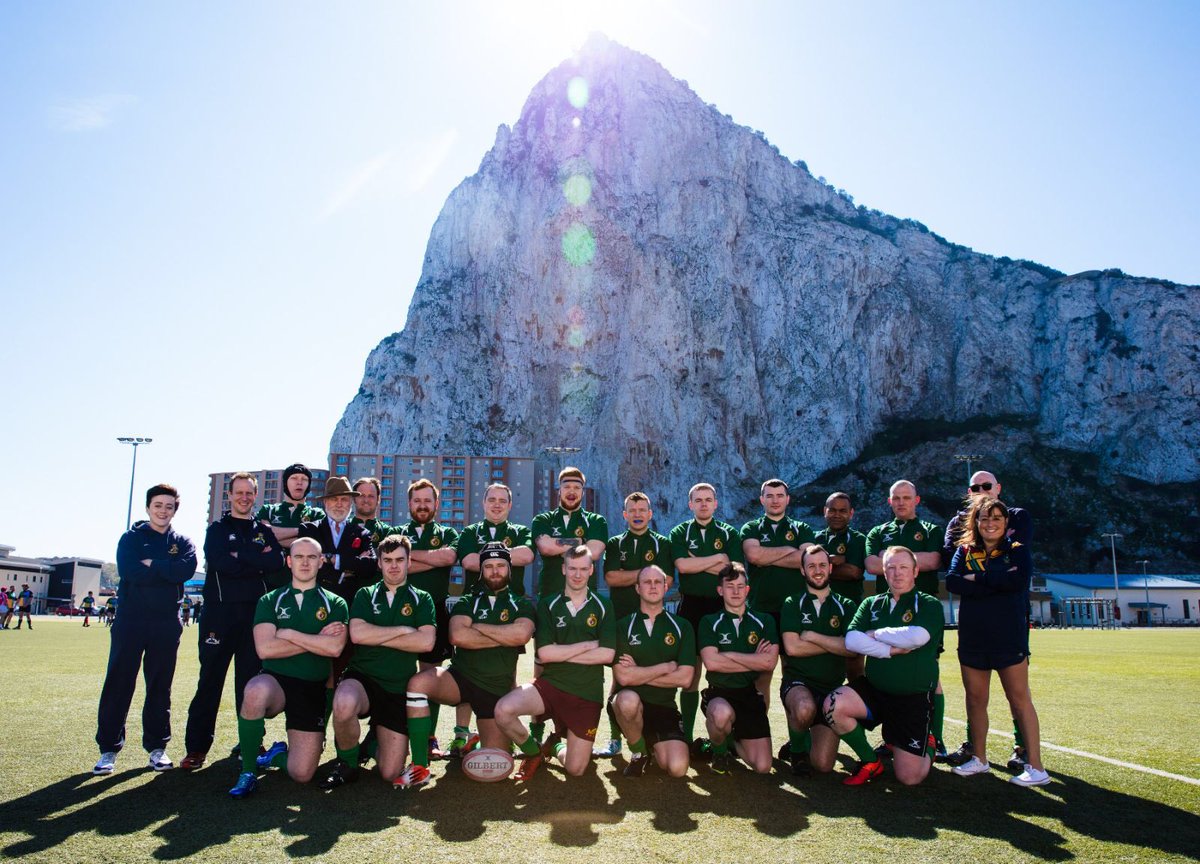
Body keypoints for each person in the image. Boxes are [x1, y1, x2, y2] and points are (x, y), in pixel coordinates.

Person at [397, 543, 535, 789]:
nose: (495, 571)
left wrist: (478, 628)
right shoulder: (468, 599)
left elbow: (521, 636)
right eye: (489, 566)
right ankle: (420, 766)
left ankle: (482, 739)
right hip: (460, 679)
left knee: (498, 766)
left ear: (509, 569)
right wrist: (502, 635)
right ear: (481, 571)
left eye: (501, 565)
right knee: (419, 682)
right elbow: (458, 637)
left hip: (495, 690)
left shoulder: (521, 604)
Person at [228, 536, 349, 798]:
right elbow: (265, 649)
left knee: (302, 774)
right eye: (299, 557)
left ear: (320, 562)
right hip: (277, 682)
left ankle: (277, 756)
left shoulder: (335, 603)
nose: (305, 562)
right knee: (254, 690)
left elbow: (334, 649)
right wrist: (317, 640)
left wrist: (289, 633)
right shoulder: (270, 600)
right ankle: (248, 771)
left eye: (311, 557)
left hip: (313, 689)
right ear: (289, 561)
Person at [180, 472, 284, 771]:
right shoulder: (217, 529)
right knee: (210, 680)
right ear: (230, 495)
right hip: (219, 614)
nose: (244, 497)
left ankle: (250, 742)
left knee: (251, 683)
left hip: (254, 617)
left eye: (249, 493)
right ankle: (197, 749)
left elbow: (275, 561)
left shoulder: (263, 531)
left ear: (255, 496)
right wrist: (255, 559)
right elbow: (220, 562)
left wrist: (242, 556)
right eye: (239, 493)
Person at [93, 484, 198, 775]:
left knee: (159, 685)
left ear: (175, 509)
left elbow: (185, 571)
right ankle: (108, 750)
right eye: (157, 505)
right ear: (148, 507)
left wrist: (154, 565)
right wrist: (166, 568)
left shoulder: (183, 542)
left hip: (166, 622)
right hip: (131, 620)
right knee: (119, 682)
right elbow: (130, 571)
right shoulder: (131, 538)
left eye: (168, 506)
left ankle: (157, 747)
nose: (163, 510)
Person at [946, 497, 1049, 787]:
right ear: (976, 523)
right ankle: (979, 759)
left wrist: (976, 580)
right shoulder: (964, 550)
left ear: (1006, 523)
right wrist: (995, 578)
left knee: (1019, 700)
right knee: (976, 700)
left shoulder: (1017, 551)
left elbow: (1017, 583)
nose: (990, 523)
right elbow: (953, 582)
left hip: (1008, 636)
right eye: (984, 518)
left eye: (997, 519)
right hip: (973, 637)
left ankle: (1036, 767)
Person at [322, 534, 436, 788]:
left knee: (389, 772)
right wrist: (405, 631)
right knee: (343, 702)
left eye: (399, 560)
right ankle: (348, 763)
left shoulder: (422, 598)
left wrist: (379, 635)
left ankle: (373, 740)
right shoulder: (365, 594)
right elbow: (358, 635)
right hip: (363, 677)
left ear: (409, 562)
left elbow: (425, 643)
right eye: (388, 560)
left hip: (397, 686)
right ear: (380, 563)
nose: (394, 565)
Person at [824, 546, 944, 787]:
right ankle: (870, 761)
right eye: (891, 568)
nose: (897, 573)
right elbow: (852, 640)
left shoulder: (928, 603)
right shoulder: (871, 604)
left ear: (916, 571)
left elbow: (918, 636)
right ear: (883, 573)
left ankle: (929, 741)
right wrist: (889, 650)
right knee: (833, 704)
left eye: (903, 568)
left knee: (910, 778)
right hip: (876, 691)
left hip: (912, 698)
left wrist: (875, 633)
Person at [496, 545, 616, 780]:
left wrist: (562, 652)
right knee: (503, 710)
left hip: (586, 695)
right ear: (563, 569)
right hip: (551, 686)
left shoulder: (604, 606)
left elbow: (607, 655)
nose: (577, 574)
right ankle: (534, 751)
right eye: (572, 568)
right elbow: (545, 653)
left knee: (576, 769)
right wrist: (588, 645)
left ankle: (555, 745)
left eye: (583, 568)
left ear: (592, 570)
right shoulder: (548, 604)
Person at [863, 480, 947, 754]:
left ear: (917, 500)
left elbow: (935, 561)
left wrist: (890, 559)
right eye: (896, 498)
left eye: (906, 497)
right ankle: (892, 739)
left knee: (930, 676)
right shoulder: (878, 532)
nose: (901, 502)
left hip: (922, 615)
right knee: (888, 674)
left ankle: (935, 737)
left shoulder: (931, 530)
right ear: (889, 501)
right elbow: (871, 565)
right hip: (886, 616)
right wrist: (909, 560)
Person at [453, 482, 534, 755]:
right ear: (483, 503)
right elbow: (467, 562)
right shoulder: (468, 532)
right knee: (464, 665)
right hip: (473, 608)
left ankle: (507, 721)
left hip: (508, 611)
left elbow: (529, 554)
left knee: (507, 668)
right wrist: (505, 558)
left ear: (510, 505)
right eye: (492, 500)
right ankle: (460, 733)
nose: (497, 504)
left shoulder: (520, 531)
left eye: (503, 500)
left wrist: (489, 556)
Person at [597, 491, 674, 757]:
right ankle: (615, 738)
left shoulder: (662, 543)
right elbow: (611, 578)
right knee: (620, 679)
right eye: (633, 510)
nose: (638, 514)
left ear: (650, 514)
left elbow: (668, 582)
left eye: (643, 510)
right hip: (622, 620)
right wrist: (646, 575)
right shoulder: (616, 543)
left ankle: (658, 732)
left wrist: (631, 576)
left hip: (654, 620)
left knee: (655, 675)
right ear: (625, 514)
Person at [669, 482, 743, 747]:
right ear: (690, 504)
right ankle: (686, 737)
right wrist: (718, 559)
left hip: (720, 608)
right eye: (698, 500)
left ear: (715, 503)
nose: (703, 504)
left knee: (723, 671)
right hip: (689, 607)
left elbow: (733, 572)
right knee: (690, 674)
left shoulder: (729, 533)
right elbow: (682, 567)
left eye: (708, 499)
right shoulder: (679, 531)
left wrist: (698, 562)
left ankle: (727, 738)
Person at [389, 479, 459, 757]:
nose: (422, 505)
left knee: (430, 674)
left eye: (427, 500)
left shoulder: (447, 532)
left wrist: (406, 559)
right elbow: (390, 565)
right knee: (399, 672)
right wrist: (429, 558)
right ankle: (395, 729)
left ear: (436, 504)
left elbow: (448, 558)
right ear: (409, 503)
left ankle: (428, 735)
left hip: (435, 609)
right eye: (417, 500)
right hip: (399, 610)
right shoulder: (396, 532)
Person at [609, 564, 696, 778]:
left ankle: (651, 744)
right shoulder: (623, 625)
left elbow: (685, 679)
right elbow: (623, 676)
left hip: (664, 706)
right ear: (637, 588)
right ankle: (639, 752)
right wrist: (665, 668)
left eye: (658, 582)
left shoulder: (682, 626)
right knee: (627, 701)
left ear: (666, 587)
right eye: (647, 582)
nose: (653, 586)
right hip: (629, 704)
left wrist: (638, 673)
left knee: (677, 768)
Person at [778, 544, 856, 775]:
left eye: (822, 565)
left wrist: (811, 636)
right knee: (803, 708)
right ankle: (798, 752)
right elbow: (792, 648)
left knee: (823, 765)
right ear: (802, 571)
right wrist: (834, 643)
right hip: (798, 683)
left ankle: (799, 740)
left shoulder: (847, 605)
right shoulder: (793, 603)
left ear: (830, 568)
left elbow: (852, 649)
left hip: (831, 687)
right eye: (811, 566)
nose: (817, 570)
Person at [698, 562, 778, 774]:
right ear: (720, 590)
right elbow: (712, 663)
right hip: (720, 693)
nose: (735, 591)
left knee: (763, 767)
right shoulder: (709, 621)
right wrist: (753, 658)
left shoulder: (764, 621)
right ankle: (719, 750)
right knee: (721, 714)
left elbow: (769, 663)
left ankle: (731, 740)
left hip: (749, 695)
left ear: (747, 589)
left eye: (740, 586)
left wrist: (729, 656)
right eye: (730, 586)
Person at [741, 479, 815, 630]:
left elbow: (806, 560)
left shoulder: (802, 529)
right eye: (769, 496)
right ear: (762, 499)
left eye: (780, 495)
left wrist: (765, 558)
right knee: (761, 653)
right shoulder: (751, 528)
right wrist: (789, 550)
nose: (775, 500)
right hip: (759, 607)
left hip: (796, 607)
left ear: (787, 499)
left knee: (793, 652)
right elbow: (754, 556)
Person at [811, 492, 869, 681]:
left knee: (854, 665)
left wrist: (820, 567)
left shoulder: (858, 539)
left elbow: (854, 572)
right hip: (819, 611)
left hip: (850, 610)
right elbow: (805, 571)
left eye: (842, 511)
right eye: (832, 510)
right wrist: (836, 561)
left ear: (851, 513)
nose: (837, 514)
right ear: (824, 512)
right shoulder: (814, 539)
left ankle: (858, 707)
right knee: (821, 665)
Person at [256, 463, 325, 587]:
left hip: (305, 585)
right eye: (294, 478)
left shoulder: (317, 514)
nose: (299, 482)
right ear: (285, 483)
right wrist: (303, 531)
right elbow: (263, 537)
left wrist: (275, 540)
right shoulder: (268, 510)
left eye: (304, 479)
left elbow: (314, 546)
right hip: (270, 583)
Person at [349, 477, 392, 549]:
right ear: (354, 499)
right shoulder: (342, 528)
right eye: (362, 495)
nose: (366, 500)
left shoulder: (387, 532)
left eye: (371, 496)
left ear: (378, 499)